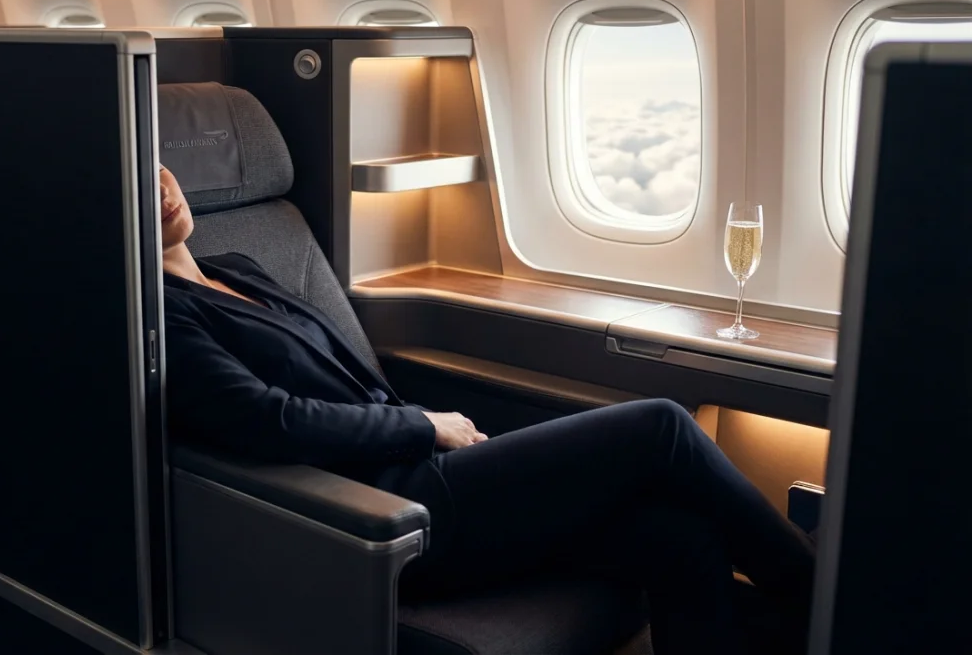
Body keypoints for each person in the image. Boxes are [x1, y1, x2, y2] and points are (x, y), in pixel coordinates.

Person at [158, 166, 815, 655]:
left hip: (417, 463)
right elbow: (268, 420)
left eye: (158, 166)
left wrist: (428, 424)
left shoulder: (235, 266)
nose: (160, 188)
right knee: (661, 426)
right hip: (382, 506)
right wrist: (424, 425)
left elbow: (344, 380)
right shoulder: (162, 316)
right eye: (134, 179)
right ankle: (819, 601)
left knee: (676, 536)